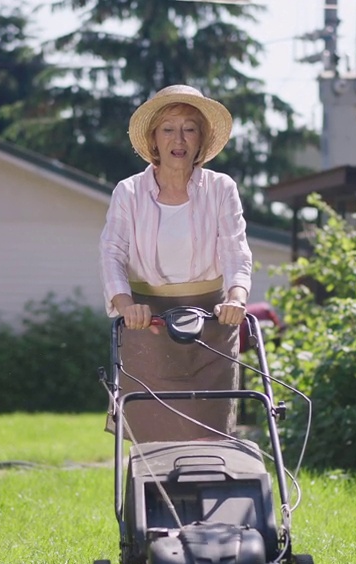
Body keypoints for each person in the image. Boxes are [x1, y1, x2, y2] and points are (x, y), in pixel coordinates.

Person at [99, 85, 252, 443]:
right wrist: (126, 306)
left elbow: (235, 249)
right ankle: (153, 498)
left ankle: (210, 493)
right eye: (168, 128)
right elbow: (112, 253)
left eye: (189, 128)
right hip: (146, 322)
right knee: (154, 436)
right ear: (154, 138)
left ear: (201, 140)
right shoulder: (129, 192)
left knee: (210, 434)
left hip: (212, 320)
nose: (178, 138)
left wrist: (236, 297)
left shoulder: (221, 188)